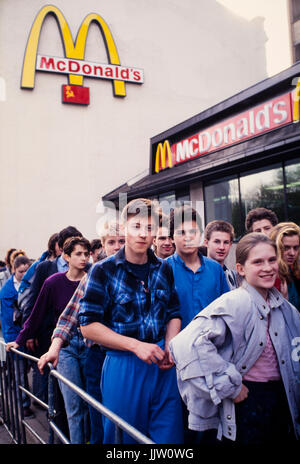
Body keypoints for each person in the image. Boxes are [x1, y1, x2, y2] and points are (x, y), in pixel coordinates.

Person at [169, 232, 300, 445]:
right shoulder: (236, 301)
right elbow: (186, 343)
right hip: (249, 404)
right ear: (241, 269)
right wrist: (228, 385)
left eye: (271, 260)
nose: (267, 268)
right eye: (258, 262)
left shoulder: (287, 309)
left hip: (280, 401)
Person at [79, 198, 184, 444]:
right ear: (124, 228)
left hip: (162, 364)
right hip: (123, 365)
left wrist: (170, 345)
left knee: (169, 438)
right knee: (124, 440)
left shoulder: (164, 269)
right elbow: (88, 326)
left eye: (149, 228)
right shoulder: (103, 271)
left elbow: (173, 312)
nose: (143, 234)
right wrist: (135, 345)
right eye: (136, 227)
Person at [38, 219, 126, 444]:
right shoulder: (97, 272)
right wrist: (55, 346)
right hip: (98, 355)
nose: (117, 246)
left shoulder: (150, 270)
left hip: (131, 358)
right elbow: (69, 316)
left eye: (121, 241)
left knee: (126, 421)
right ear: (104, 245)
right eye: (112, 242)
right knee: (95, 416)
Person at [7, 236, 91, 444]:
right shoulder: (53, 282)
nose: (83, 258)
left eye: (86, 254)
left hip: (91, 347)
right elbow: (36, 313)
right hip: (65, 347)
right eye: (78, 254)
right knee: (73, 406)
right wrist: (20, 339)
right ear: (66, 256)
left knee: (93, 404)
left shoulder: (93, 278)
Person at [167, 205, 230, 331]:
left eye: (193, 232)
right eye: (181, 232)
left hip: (212, 345)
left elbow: (228, 310)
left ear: (200, 234)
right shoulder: (161, 270)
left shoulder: (216, 269)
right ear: (171, 238)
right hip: (176, 346)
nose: (188, 237)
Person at [0, 255, 33, 416]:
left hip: (30, 335)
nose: (24, 274)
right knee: (21, 373)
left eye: (27, 271)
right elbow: (7, 321)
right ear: (14, 270)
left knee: (28, 369)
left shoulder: (31, 284)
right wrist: (14, 341)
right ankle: (24, 404)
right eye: (21, 271)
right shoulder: (6, 291)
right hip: (16, 337)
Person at [270, 223, 300, 311]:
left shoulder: (293, 270)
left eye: (296, 248)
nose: (292, 253)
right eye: (286, 248)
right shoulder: (271, 275)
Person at [204, 220, 239, 290]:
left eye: (226, 242)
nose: (221, 247)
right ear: (206, 243)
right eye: (217, 242)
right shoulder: (195, 274)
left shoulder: (235, 278)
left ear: (230, 244)